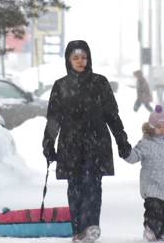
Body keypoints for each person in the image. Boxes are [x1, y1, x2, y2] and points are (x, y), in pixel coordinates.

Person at [43, 40, 132, 243]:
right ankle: (78, 231)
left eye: (84, 57)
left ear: (89, 59)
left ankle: (91, 226)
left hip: (96, 143)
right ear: (68, 60)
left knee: (93, 185)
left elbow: (112, 115)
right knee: (75, 188)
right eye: (75, 57)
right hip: (70, 145)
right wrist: (48, 143)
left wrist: (122, 140)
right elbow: (53, 119)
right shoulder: (61, 86)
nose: (80, 61)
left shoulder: (100, 83)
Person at [124, 105, 164, 242]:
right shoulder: (146, 143)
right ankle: (151, 229)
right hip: (151, 186)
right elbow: (135, 156)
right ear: (151, 128)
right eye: (159, 126)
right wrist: (127, 153)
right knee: (153, 210)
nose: (163, 129)